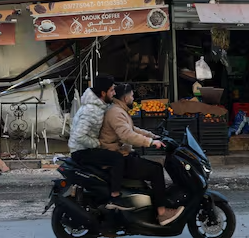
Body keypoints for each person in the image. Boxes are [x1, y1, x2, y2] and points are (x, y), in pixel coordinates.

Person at [100, 83, 183, 226]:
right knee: (156, 169)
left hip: (123, 154)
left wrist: (153, 137)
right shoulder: (116, 113)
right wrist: (150, 142)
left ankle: (147, 206)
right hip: (117, 157)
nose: (134, 98)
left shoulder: (120, 110)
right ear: (125, 98)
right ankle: (162, 213)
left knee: (147, 168)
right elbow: (127, 135)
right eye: (132, 95)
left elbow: (133, 129)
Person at [67, 74, 129, 208]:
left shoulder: (100, 106)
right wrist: (97, 144)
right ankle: (115, 196)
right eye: (112, 90)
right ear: (103, 93)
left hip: (87, 148)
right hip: (81, 151)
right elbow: (79, 136)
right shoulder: (90, 110)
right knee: (117, 159)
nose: (114, 93)